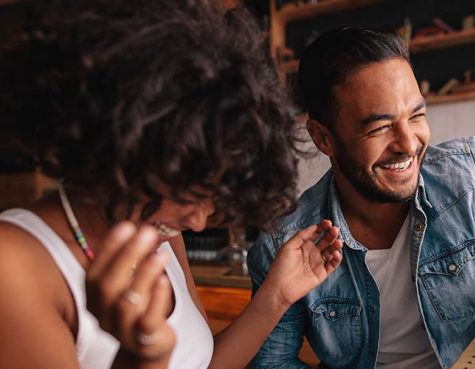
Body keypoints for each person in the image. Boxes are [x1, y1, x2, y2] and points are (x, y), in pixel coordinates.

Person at [0, 1, 344, 369]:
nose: (198, 222)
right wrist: (140, 359)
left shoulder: (162, 232)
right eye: (190, 192)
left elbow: (207, 364)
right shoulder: (14, 267)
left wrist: (277, 293)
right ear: (121, 146)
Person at [247, 26, 475, 369]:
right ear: (323, 138)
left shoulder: (472, 180)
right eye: (380, 127)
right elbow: (271, 362)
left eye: (417, 115)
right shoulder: (283, 242)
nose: (409, 143)